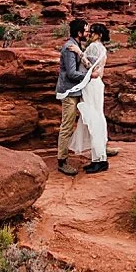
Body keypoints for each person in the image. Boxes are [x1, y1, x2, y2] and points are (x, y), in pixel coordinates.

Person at [69, 22, 111, 173]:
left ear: (99, 35)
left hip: (91, 85)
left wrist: (79, 53)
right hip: (95, 85)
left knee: (94, 120)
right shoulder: (101, 48)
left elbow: (90, 67)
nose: (89, 34)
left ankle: (100, 161)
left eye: (92, 32)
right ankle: (98, 159)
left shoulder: (94, 47)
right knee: (95, 119)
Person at [54, 19, 89, 176]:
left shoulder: (77, 45)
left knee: (90, 119)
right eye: (86, 30)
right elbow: (71, 73)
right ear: (79, 33)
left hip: (76, 91)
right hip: (69, 92)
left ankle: (100, 148)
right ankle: (62, 161)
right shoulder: (69, 47)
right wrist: (88, 75)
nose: (87, 33)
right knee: (67, 125)